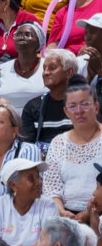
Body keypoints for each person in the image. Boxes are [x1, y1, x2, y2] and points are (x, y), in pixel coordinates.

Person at [42, 80, 102, 221]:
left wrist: (88, 214)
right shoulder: (58, 143)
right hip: (66, 216)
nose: (79, 111)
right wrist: (62, 212)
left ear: (97, 107)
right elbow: (51, 189)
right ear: (66, 112)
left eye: (85, 104)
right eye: (72, 106)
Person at [0, 157, 57, 246]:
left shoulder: (48, 205)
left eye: (38, 177)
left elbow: (50, 244)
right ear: (13, 185)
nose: (38, 183)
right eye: (31, 178)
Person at [20, 47, 77, 151]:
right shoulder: (33, 106)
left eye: (52, 68)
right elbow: (27, 148)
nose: (45, 73)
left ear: (69, 72)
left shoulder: (84, 105)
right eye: (44, 68)